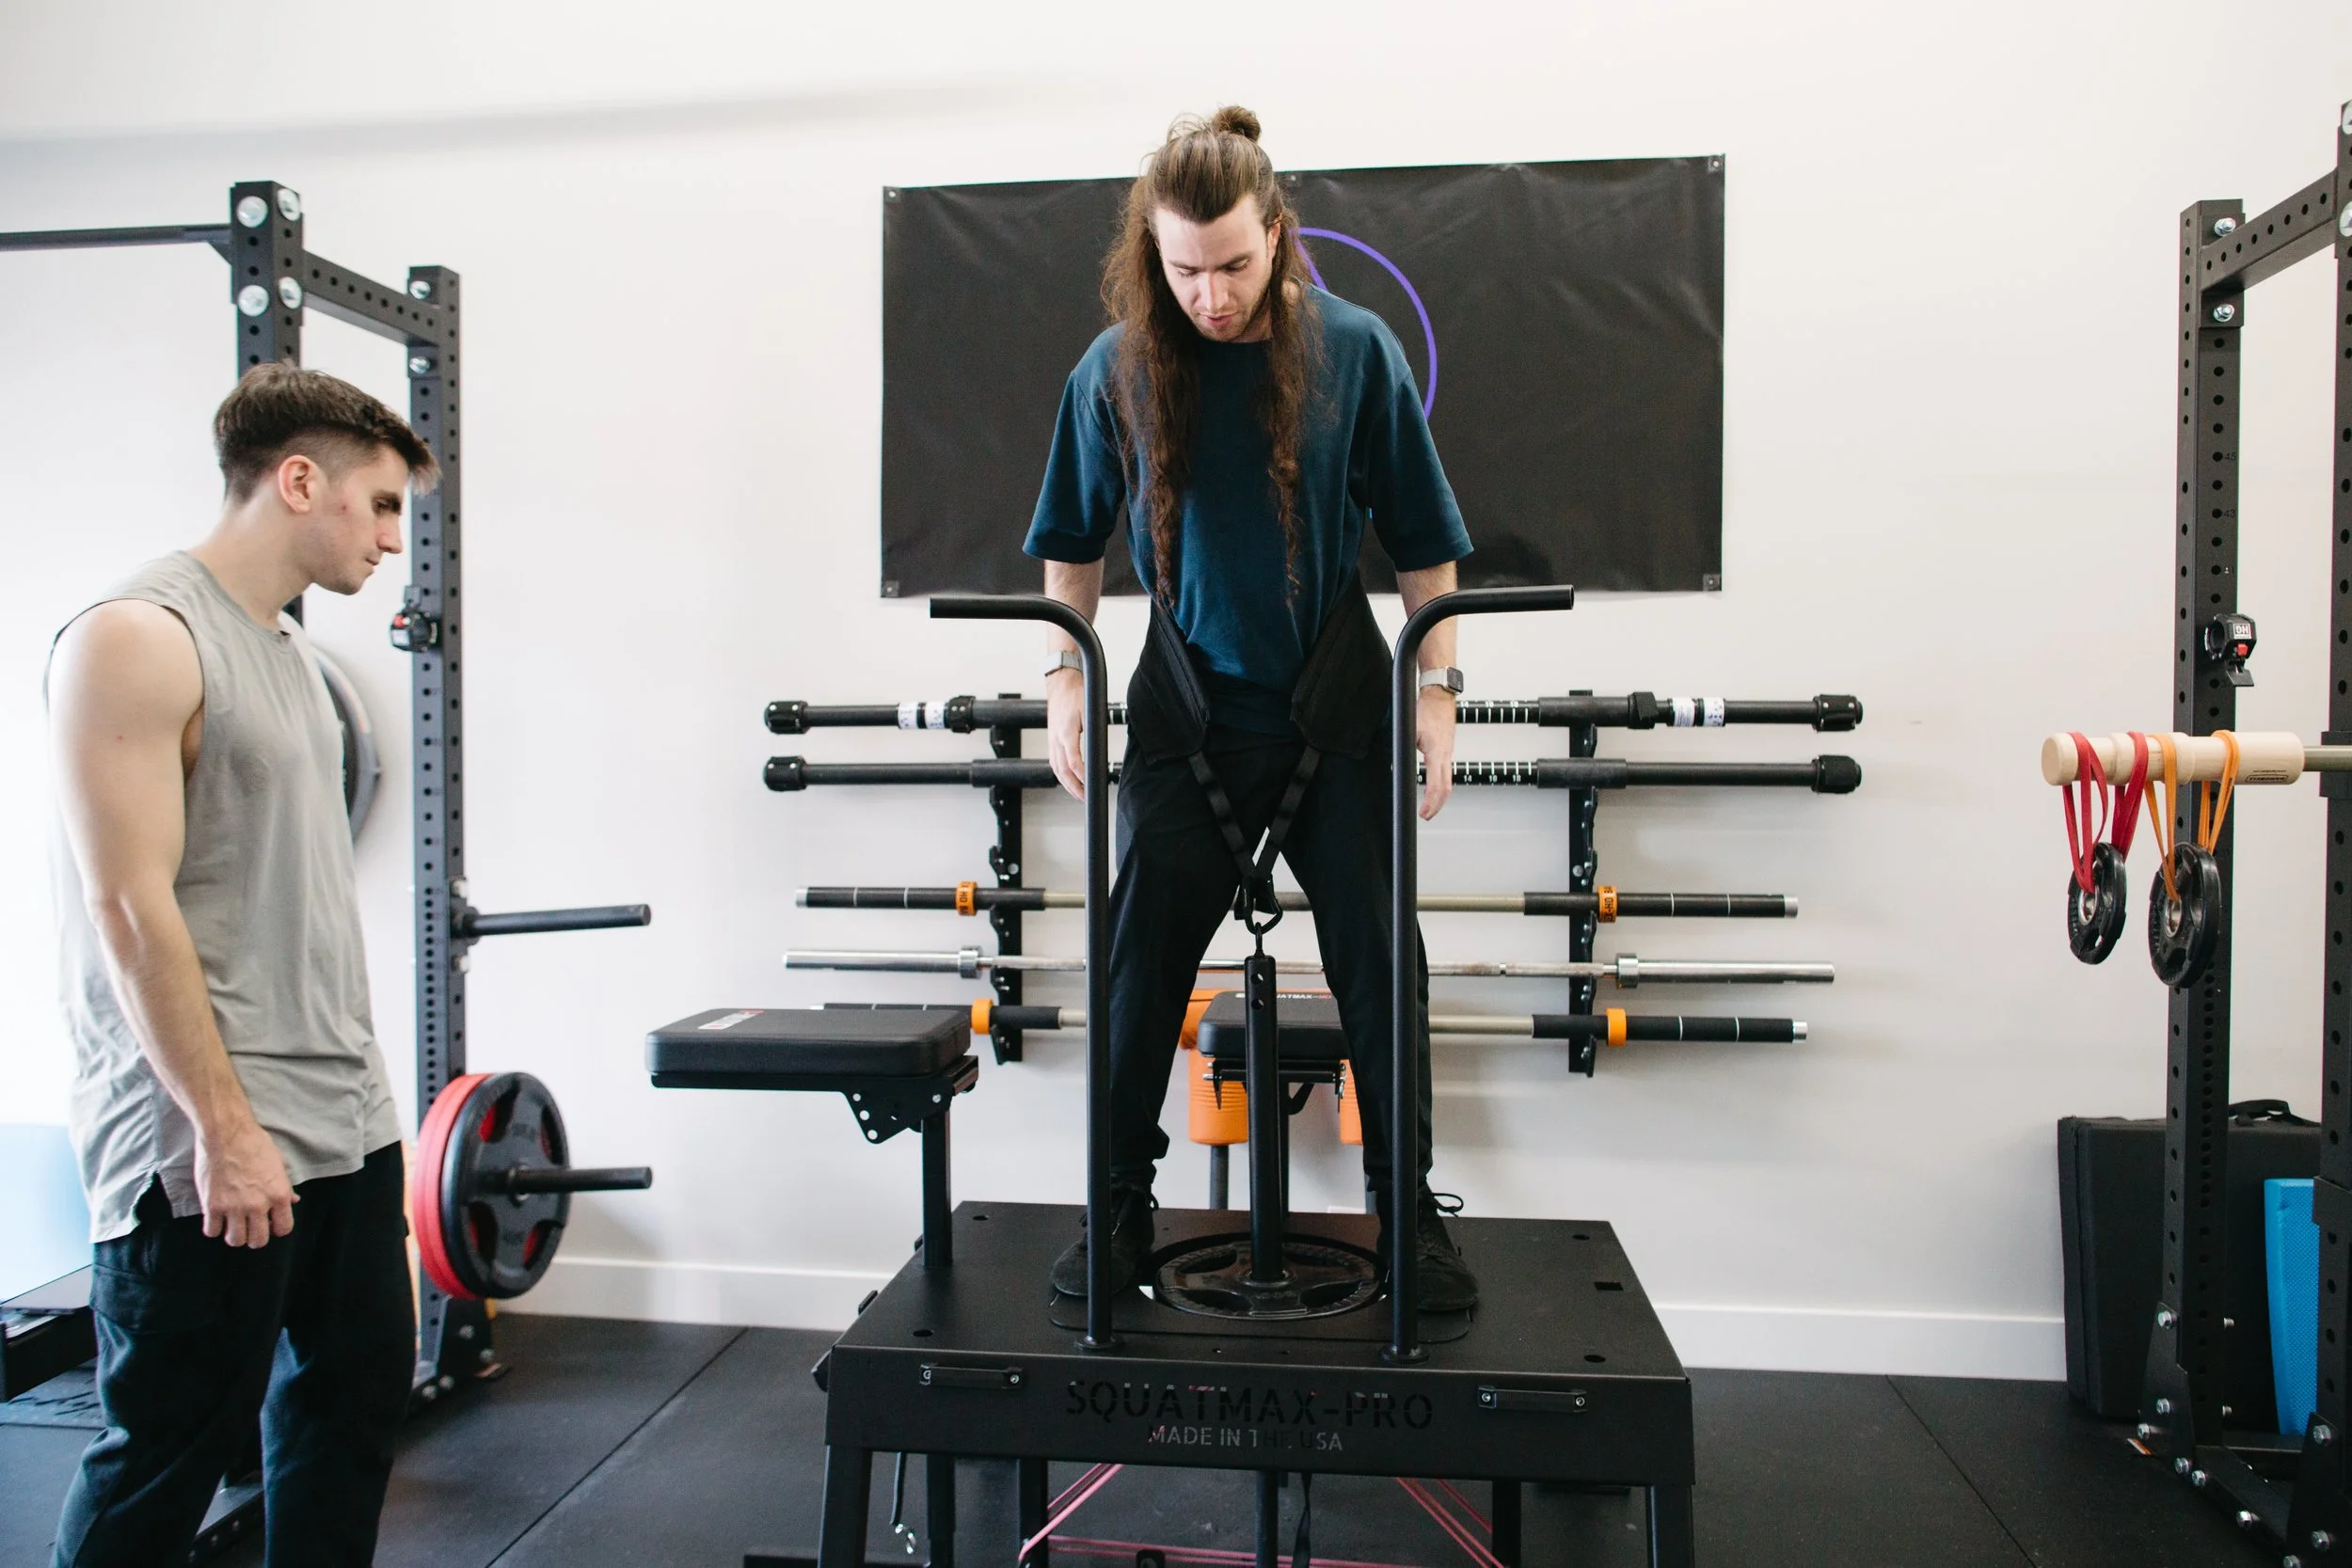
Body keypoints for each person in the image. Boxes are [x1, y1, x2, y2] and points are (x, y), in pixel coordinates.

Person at [1025, 105, 1479, 1309]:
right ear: (1152, 254)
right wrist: (1065, 674)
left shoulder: (1358, 351)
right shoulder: (1114, 368)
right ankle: (1116, 1204)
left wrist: (1438, 690)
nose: (1210, 296)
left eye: (1231, 264)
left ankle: (1407, 1216)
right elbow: (1070, 546)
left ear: (1275, 234)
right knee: (1136, 962)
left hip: (1335, 702)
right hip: (1188, 713)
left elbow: (1424, 546)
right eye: (1184, 271)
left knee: (1382, 961)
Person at [45, 362, 434, 1568]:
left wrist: (372, 1119)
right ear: (299, 479)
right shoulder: (136, 636)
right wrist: (222, 1128)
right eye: (380, 504)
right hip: (209, 1137)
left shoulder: (288, 652)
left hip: (342, 1116)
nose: (391, 539)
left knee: (352, 1409)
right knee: (171, 1449)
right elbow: (127, 905)